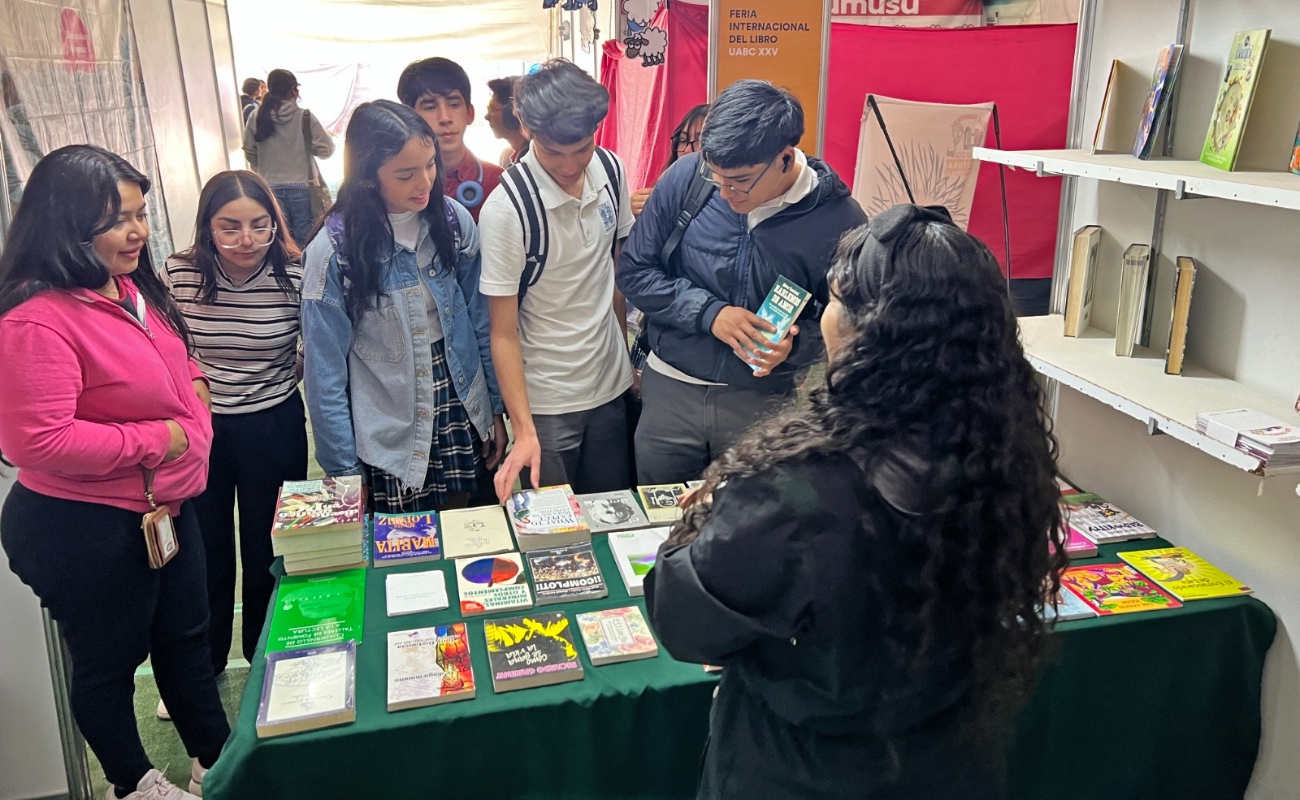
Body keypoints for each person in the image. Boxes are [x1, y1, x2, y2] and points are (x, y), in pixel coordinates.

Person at [646, 203, 1070, 799]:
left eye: (837, 298)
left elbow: (683, 620)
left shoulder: (796, 486)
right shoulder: (1001, 459)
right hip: (946, 765)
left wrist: (708, 510)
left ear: (869, 331)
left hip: (802, 775)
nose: (826, 314)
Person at [0, 145, 228, 800]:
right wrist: (158, 439)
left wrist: (195, 391)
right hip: (85, 529)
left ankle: (216, 760)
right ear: (64, 225)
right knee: (107, 665)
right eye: (118, 220)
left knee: (187, 644)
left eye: (140, 214)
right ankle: (134, 783)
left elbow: (173, 362)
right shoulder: (35, 318)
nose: (137, 233)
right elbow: (37, 439)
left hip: (164, 512)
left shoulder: (128, 288)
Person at [618, 80, 867, 486]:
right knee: (656, 524)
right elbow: (634, 271)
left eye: (739, 180)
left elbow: (854, 320)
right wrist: (709, 314)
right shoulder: (686, 180)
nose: (725, 192)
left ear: (785, 158)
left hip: (762, 404)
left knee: (750, 526)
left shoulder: (839, 220)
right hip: (669, 392)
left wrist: (796, 344)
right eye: (716, 177)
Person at [302, 99, 506, 513]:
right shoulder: (333, 252)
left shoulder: (451, 221)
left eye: (430, 165)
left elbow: (480, 323)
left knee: (472, 536)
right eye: (405, 174)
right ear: (367, 176)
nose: (424, 182)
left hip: (459, 400)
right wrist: (343, 474)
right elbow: (324, 377)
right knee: (405, 555)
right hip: (390, 423)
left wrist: (494, 410)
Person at [162, 170, 307, 686]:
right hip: (204, 431)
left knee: (269, 548)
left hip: (274, 423)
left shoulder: (295, 271)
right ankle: (206, 662)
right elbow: (170, 348)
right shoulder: (179, 273)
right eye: (230, 227)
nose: (246, 240)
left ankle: (267, 654)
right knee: (206, 550)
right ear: (206, 228)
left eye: (260, 226)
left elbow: (311, 346)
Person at [478, 59, 635, 501]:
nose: (570, 166)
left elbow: (613, 274)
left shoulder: (610, 170)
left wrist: (623, 357)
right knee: (552, 536)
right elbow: (502, 333)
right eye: (553, 152)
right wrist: (524, 429)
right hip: (546, 404)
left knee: (613, 516)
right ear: (524, 125)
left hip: (609, 389)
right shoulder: (507, 211)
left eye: (581, 148)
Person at [397, 58, 503, 223]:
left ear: (470, 113)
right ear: (409, 118)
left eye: (453, 104)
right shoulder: (394, 187)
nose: (445, 118)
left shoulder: (498, 182)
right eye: (430, 107)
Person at [243, 68, 334, 248]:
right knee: (305, 239)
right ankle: (301, 274)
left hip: (270, 187)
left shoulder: (256, 116)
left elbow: (249, 151)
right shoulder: (305, 118)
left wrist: (263, 166)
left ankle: (283, 274)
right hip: (302, 187)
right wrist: (308, 146)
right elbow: (327, 150)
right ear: (293, 90)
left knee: (277, 239)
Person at [630, 102, 708, 217]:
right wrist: (629, 214)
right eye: (682, 140)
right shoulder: (661, 192)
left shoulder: (728, 197)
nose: (687, 149)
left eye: (699, 141)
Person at [486, 76, 527, 169]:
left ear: (513, 112)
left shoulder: (532, 160)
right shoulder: (507, 157)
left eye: (492, 109)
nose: (487, 117)